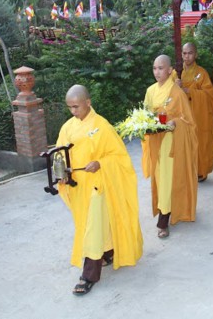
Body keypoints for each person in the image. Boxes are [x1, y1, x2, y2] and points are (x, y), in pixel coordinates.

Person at [56, 84, 143, 296]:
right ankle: (108, 251)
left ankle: (89, 275)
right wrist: (61, 173)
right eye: (70, 107)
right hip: (78, 187)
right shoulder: (67, 127)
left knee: (92, 229)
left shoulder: (102, 126)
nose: (73, 111)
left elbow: (119, 156)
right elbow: (60, 155)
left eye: (76, 106)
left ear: (88, 102)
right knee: (91, 224)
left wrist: (100, 163)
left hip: (98, 185)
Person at [142, 55, 198, 238]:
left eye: (160, 68)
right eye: (154, 68)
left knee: (166, 179)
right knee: (159, 178)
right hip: (155, 141)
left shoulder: (177, 93)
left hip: (170, 141)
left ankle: (163, 219)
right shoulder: (150, 91)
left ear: (169, 70)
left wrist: (175, 123)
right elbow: (145, 115)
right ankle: (167, 208)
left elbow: (188, 121)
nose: (157, 72)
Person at [177, 42, 213, 182]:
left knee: (200, 141)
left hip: (198, 114)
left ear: (196, 54)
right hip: (182, 114)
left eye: (190, 53)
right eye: (184, 53)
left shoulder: (201, 73)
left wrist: (189, 91)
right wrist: (175, 86)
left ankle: (200, 170)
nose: (187, 56)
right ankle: (186, 170)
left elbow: (209, 95)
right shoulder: (177, 73)